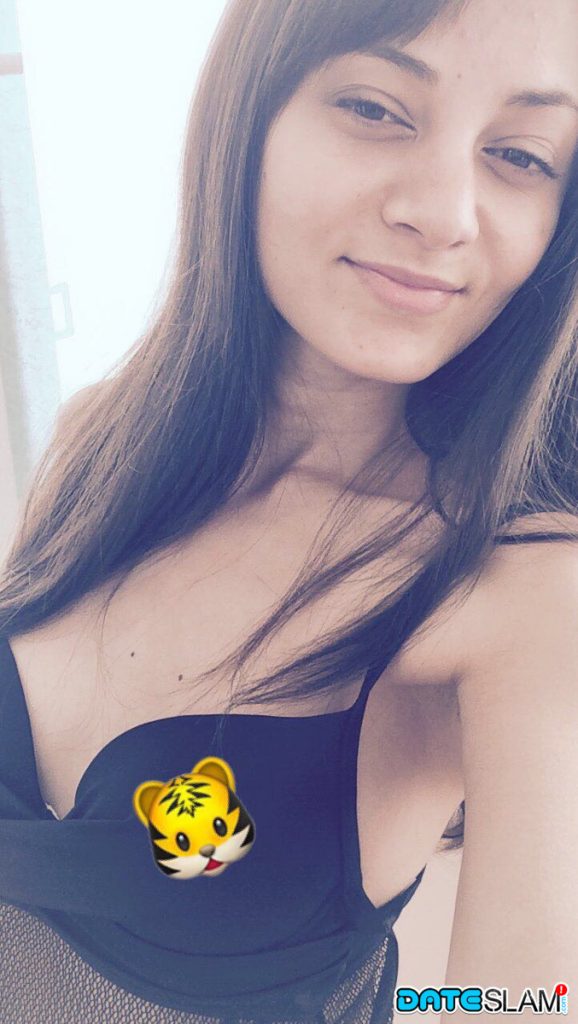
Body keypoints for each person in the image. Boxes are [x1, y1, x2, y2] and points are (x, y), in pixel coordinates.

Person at [1, 0, 577, 1021]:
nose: (442, 212)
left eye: (520, 156)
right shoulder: (98, 438)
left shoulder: (521, 587)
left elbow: (521, 1003)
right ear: (250, 112)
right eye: (375, 108)